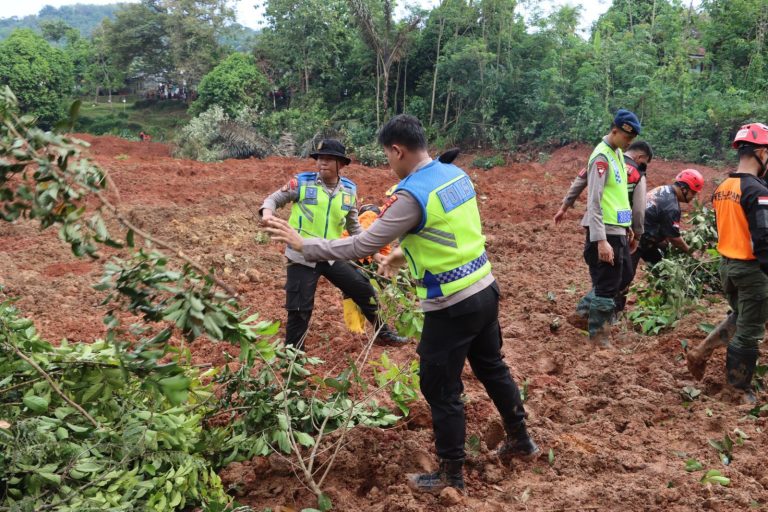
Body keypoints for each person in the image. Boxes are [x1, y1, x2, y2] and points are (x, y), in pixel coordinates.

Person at [265, 115, 538, 493]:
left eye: (387, 156)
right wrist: (400, 256)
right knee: (492, 367)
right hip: (485, 290)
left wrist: (304, 245)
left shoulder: (411, 195)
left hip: (450, 304)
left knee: (440, 388)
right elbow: (446, 228)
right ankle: (522, 439)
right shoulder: (454, 175)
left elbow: (362, 244)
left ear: (398, 150)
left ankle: (451, 475)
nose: (388, 163)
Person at [259, 139, 407, 350]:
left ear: (341, 164)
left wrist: (375, 255)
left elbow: (355, 229)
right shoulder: (302, 183)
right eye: (320, 159)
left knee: (364, 290)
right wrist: (267, 213)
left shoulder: (349, 190)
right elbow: (272, 200)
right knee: (300, 309)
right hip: (301, 256)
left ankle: (383, 334)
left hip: (331, 255)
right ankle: (293, 359)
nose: (322, 163)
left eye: (329, 159)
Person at [685, 123, 768, 402]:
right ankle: (737, 388)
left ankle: (702, 351)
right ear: (761, 153)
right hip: (752, 269)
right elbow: (764, 237)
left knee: (741, 316)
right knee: (750, 331)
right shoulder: (756, 190)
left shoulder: (724, 187)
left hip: (727, 267)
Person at [555, 141, 653, 319]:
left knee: (600, 275)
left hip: (593, 226)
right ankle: (589, 316)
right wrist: (637, 234)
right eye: (644, 163)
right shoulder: (636, 173)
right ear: (641, 158)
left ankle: (594, 319)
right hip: (614, 230)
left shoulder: (607, 159)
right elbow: (639, 210)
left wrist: (565, 206)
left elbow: (580, 180)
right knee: (617, 278)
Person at [568, 109, 641, 346]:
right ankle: (599, 341)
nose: (629, 143)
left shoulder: (616, 153)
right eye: (626, 138)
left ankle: (583, 317)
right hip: (606, 232)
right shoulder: (601, 157)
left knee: (613, 280)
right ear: (614, 130)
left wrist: (627, 225)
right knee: (607, 286)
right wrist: (600, 240)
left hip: (616, 229)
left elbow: (617, 196)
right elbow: (595, 200)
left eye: (631, 140)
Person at [637, 169, 704, 264]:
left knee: (662, 250)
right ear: (684, 189)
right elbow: (674, 238)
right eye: (693, 193)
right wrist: (690, 252)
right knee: (627, 274)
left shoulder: (663, 189)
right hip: (640, 239)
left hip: (639, 230)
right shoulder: (671, 207)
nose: (693, 197)